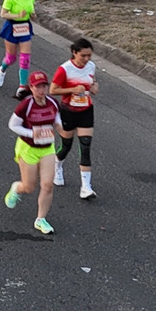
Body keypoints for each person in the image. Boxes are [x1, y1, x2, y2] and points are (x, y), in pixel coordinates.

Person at [4, 71, 61, 235]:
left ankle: (41, 219)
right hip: (27, 148)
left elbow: (56, 118)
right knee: (29, 187)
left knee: (48, 185)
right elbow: (13, 125)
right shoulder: (26, 105)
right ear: (31, 88)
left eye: (44, 86)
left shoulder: (52, 103)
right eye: (38, 87)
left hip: (47, 147)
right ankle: (17, 188)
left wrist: (60, 127)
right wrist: (32, 134)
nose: (42, 90)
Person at [51, 38, 98, 198]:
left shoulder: (91, 66)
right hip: (68, 111)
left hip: (86, 110)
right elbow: (53, 90)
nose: (86, 59)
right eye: (83, 56)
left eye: (89, 55)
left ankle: (86, 187)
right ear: (74, 52)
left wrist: (94, 86)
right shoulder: (64, 69)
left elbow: (92, 80)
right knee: (66, 146)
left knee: (85, 146)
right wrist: (72, 89)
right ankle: (57, 166)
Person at [0, 0, 36, 96]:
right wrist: (17, 15)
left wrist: (33, 15)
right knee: (11, 58)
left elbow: (31, 9)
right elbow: (3, 14)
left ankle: (22, 86)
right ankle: (2, 69)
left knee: (25, 58)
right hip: (12, 26)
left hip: (25, 26)